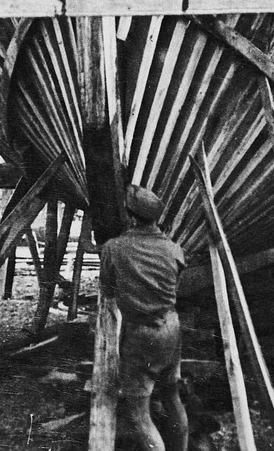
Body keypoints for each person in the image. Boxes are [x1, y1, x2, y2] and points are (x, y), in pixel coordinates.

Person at [100, 185, 188, 451]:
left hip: (142, 334)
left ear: (130, 216)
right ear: (157, 217)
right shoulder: (175, 250)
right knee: (172, 396)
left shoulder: (114, 248)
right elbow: (175, 286)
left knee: (139, 411)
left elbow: (108, 291)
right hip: (171, 327)